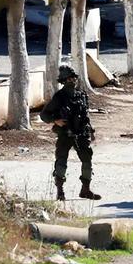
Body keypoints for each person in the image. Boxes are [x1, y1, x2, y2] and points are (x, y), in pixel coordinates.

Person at [40, 65, 101, 201]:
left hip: (81, 133)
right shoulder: (59, 97)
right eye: (69, 79)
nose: (72, 81)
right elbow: (44, 115)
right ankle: (60, 191)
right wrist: (55, 120)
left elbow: (85, 115)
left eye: (73, 78)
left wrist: (91, 131)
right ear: (63, 81)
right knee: (61, 162)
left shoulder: (81, 95)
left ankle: (85, 190)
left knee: (87, 161)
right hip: (65, 134)